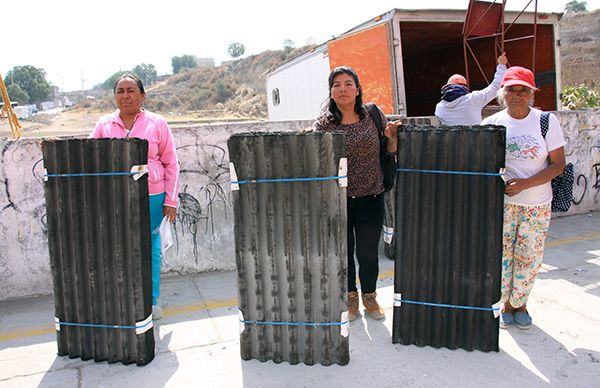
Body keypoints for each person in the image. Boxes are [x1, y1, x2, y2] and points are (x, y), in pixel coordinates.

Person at [313, 66, 401, 321]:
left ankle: (370, 298)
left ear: (358, 89)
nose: (343, 89)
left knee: (367, 252)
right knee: (344, 252)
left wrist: (392, 138)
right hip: (337, 201)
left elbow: (390, 150)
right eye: (337, 84)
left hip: (371, 197)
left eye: (348, 84)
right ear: (330, 91)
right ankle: (350, 298)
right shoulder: (323, 124)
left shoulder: (372, 115)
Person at [481, 66, 566, 330]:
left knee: (529, 257)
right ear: (503, 93)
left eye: (523, 90)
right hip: (503, 205)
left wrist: (526, 184)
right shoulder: (492, 124)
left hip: (537, 204)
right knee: (502, 256)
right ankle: (506, 304)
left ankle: (521, 304)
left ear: (531, 93)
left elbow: (558, 165)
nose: (517, 95)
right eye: (512, 89)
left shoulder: (545, 122)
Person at [90, 74, 179, 320]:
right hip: (115, 197)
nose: (125, 95)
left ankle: (151, 302)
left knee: (150, 247)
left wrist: (171, 200)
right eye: (120, 91)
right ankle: (123, 299)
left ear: (142, 95)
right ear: (115, 96)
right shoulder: (104, 125)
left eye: (131, 90)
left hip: (152, 195)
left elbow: (171, 163)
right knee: (118, 247)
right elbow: (86, 153)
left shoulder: (157, 123)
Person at [435, 53, 508, 125]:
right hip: (474, 137)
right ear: (465, 87)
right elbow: (495, 87)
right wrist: (501, 65)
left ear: (447, 86)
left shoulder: (440, 107)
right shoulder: (474, 99)